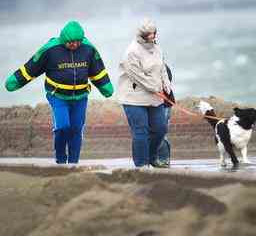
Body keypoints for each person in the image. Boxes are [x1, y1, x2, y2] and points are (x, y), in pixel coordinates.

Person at [5, 20, 114, 165]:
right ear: (64, 39)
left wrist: (106, 87)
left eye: (77, 42)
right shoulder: (51, 50)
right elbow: (32, 68)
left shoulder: (88, 49)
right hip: (58, 96)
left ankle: (73, 164)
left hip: (80, 97)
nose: (74, 45)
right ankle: (61, 161)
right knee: (62, 126)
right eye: (71, 42)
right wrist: (15, 81)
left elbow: (97, 71)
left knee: (76, 129)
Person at [117, 18, 173, 168]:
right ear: (142, 35)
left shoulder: (157, 48)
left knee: (160, 129)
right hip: (133, 98)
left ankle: (151, 157)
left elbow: (162, 68)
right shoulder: (131, 51)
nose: (152, 36)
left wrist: (166, 84)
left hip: (155, 97)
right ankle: (141, 165)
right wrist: (154, 87)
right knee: (140, 131)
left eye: (154, 33)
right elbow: (137, 76)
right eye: (149, 34)